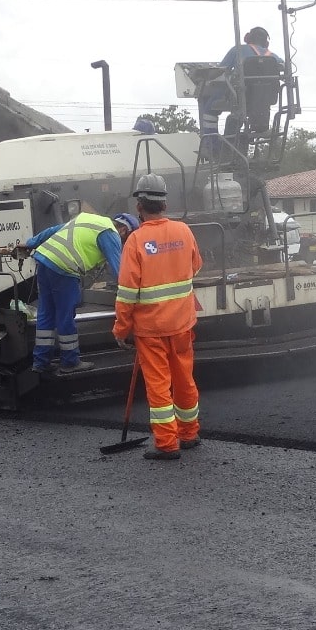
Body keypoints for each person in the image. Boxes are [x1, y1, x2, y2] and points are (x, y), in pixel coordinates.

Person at [113, 173, 204, 461]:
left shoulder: (136, 240)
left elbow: (127, 292)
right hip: (182, 323)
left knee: (158, 384)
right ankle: (189, 433)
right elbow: (195, 267)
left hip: (151, 329)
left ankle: (167, 443)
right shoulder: (184, 231)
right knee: (184, 378)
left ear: (139, 206)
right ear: (164, 204)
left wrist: (120, 329)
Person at [17, 210, 137, 375]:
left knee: (46, 313)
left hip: (44, 261)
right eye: (127, 238)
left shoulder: (89, 219)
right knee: (65, 315)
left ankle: (41, 362)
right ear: (124, 230)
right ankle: (70, 361)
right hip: (63, 268)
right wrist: (134, 294)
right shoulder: (110, 234)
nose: (124, 242)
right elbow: (119, 271)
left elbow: (53, 230)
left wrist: (31, 243)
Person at [201, 27, 284, 140]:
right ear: (266, 43)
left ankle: (211, 145)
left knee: (209, 108)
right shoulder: (273, 57)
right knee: (238, 115)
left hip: (240, 96)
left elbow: (220, 70)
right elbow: (284, 68)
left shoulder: (238, 50)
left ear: (248, 38)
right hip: (265, 100)